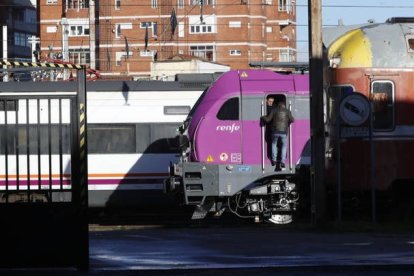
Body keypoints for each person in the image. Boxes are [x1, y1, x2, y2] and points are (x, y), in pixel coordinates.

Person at [261, 101, 294, 170]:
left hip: (275, 131)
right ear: (284, 106)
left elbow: (267, 120)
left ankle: (274, 160)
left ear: (278, 105)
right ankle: (282, 162)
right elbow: (292, 120)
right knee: (284, 146)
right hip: (284, 132)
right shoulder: (287, 111)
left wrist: (263, 117)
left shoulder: (274, 110)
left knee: (274, 144)